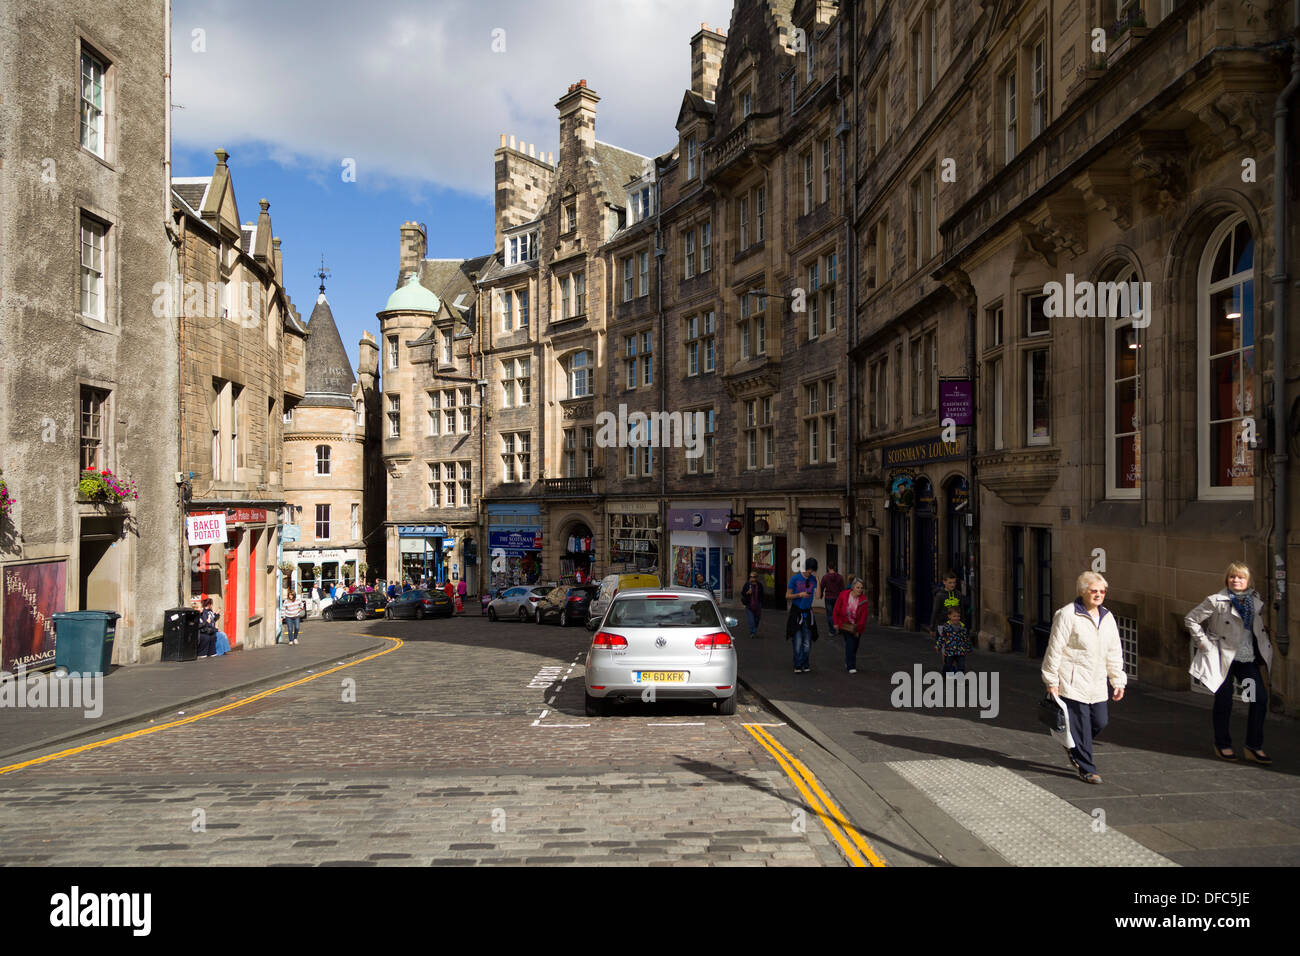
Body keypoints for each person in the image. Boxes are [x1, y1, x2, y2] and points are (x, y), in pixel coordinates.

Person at [1185, 562, 1274, 764]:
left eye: (1240, 577)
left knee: (1258, 699)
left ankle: (1253, 745)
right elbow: (1191, 619)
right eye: (1232, 577)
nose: (1236, 580)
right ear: (1227, 579)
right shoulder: (1216, 600)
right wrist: (1204, 643)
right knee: (1224, 700)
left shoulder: (1255, 601)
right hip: (1221, 658)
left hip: (1246, 658)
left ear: (1248, 581)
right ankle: (1222, 743)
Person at [1042, 572, 1127, 784]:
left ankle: (1074, 745)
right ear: (1082, 592)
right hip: (1072, 681)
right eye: (1093, 591)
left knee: (1100, 721)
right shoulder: (1067, 614)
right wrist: (1051, 681)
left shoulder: (1107, 617)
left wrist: (1118, 680)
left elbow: (1114, 651)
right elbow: (1055, 649)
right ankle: (1087, 769)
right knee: (1082, 725)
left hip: (1097, 683)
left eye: (1102, 591)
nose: (1098, 595)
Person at [785, 558, 819, 673]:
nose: (810, 572)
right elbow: (787, 595)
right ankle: (798, 665)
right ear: (806, 568)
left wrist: (817, 579)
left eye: (812, 571)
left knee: (807, 643)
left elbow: (819, 596)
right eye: (809, 570)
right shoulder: (795, 578)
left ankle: (805, 663)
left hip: (808, 613)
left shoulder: (813, 579)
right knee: (798, 641)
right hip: (796, 612)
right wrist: (799, 594)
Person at [832, 576, 869, 673]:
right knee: (850, 644)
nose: (860, 590)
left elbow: (863, 618)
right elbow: (836, 609)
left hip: (857, 627)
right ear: (852, 587)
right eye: (858, 587)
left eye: (861, 588)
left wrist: (858, 630)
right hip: (845, 625)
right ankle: (851, 666)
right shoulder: (843, 595)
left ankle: (848, 660)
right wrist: (835, 622)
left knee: (855, 646)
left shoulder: (864, 600)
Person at [928, 570, 970, 641]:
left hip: (956, 625)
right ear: (944, 582)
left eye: (954, 582)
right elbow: (935, 612)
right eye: (950, 583)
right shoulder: (940, 596)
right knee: (946, 647)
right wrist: (932, 628)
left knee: (955, 647)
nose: (952, 585)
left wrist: (963, 626)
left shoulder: (958, 594)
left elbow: (962, 610)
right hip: (943, 625)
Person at [934, 607, 971, 674]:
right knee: (948, 665)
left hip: (960, 651)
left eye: (958, 616)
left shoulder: (962, 628)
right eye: (954, 616)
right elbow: (942, 638)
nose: (956, 618)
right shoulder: (946, 627)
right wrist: (938, 646)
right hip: (949, 651)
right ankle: (944, 674)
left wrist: (968, 647)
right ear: (949, 616)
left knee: (961, 666)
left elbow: (966, 638)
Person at [740, 571, 764, 638]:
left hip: (758, 604)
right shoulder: (747, 584)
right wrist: (747, 593)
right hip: (749, 604)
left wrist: (761, 602)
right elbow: (742, 593)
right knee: (751, 619)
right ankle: (752, 632)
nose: (752, 578)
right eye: (751, 577)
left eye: (753, 577)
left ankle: (754, 629)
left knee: (757, 619)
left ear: (756, 577)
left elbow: (762, 594)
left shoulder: (759, 585)